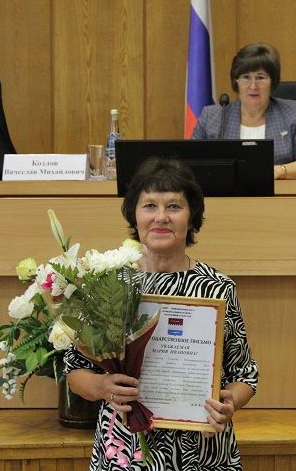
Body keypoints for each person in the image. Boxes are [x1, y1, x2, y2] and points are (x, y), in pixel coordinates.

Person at [65, 157, 259, 470]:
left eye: (174, 206)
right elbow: (74, 371)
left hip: (203, 454)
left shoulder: (218, 289)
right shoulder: (109, 285)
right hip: (126, 451)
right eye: (150, 206)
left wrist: (230, 402)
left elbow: (245, 374)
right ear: (134, 214)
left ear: (191, 217)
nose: (161, 217)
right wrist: (102, 387)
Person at [190, 42, 296, 180]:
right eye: (246, 77)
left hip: (277, 196)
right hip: (226, 198)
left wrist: (280, 171)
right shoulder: (212, 117)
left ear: (272, 82)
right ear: (236, 81)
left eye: (260, 77)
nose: (253, 86)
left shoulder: (292, 113)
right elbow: (189, 163)